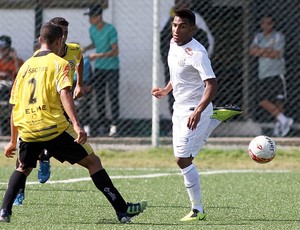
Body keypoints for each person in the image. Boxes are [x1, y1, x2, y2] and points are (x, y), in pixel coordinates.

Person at [0, 22, 147, 223]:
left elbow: (14, 105)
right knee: (93, 162)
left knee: (23, 167)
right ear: (60, 41)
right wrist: (77, 125)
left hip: (28, 128)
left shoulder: (25, 67)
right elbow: (65, 94)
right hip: (54, 127)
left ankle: (4, 212)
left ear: (40, 40)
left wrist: (12, 140)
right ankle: (122, 210)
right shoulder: (58, 63)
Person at [152, 9, 241, 222]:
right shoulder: (173, 44)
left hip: (195, 110)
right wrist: (166, 90)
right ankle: (213, 121)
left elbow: (212, 84)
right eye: (174, 25)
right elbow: (178, 75)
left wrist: (200, 110)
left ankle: (197, 209)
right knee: (185, 157)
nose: (176, 29)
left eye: (182, 26)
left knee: (182, 159)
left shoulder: (198, 53)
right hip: (179, 109)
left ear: (192, 29)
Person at [12, 17, 88, 206]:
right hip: (42, 105)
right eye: (60, 34)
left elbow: (80, 60)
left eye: (66, 34)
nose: (63, 38)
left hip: (62, 104)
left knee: (57, 139)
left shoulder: (74, 50)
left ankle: (45, 157)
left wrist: (80, 83)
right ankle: (19, 191)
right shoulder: (43, 57)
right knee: (26, 147)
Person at [160, 0, 215, 116]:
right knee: (175, 94)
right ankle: (175, 119)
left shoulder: (197, 19)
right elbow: (162, 41)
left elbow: (209, 40)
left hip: (192, 66)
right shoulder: (168, 20)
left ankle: (200, 116)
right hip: (175, 65)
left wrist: (204, 59)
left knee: (195, 92)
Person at [249, 15, 293, 137]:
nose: (266, 25)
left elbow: (277, 54)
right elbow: (252, 51)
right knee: (262, 100)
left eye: (269, 23)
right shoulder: (258, 37)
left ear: (273, 24)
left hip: (277, 72)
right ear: (261, 24)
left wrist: (261, 51)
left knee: (279, 101)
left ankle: (280, 126)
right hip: (263, 74)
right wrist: (267, 50)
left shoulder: (278, 36)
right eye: (264, 23)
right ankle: (284, 119)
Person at [83, 4, 120, 137]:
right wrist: (86, 48)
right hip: (99, 68)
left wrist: (97, 56)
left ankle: (114, 125)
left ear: (99, 17)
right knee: (99, 97)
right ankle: (102, 125)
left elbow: (115, 51)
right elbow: (96, 44)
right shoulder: (92, 29)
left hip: (112, 68)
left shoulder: (110, 29)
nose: (90, 19)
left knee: (113, 96)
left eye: (92, 17)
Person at [0, 35, 24, 136]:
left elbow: (20, 75)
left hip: (11, 92)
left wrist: (14, 58)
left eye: (4, 48)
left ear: (9, 49)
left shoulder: (18, 61)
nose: (2, 50)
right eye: (1, 48)